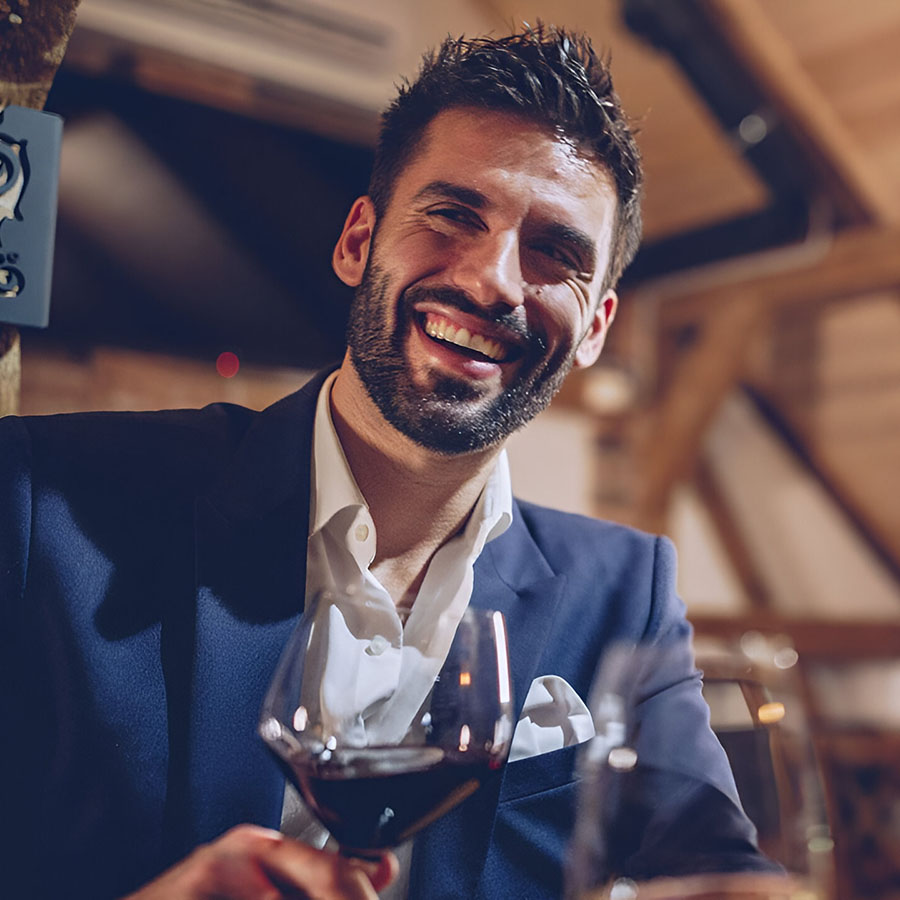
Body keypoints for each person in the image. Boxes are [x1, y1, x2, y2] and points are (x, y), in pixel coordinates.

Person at [0, 25, 765, 900]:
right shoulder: (39, 500)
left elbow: (723, 876)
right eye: (452, 215)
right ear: (359, 241)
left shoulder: (628, 592)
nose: (492, 283)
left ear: (594, 326)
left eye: (555, 252)